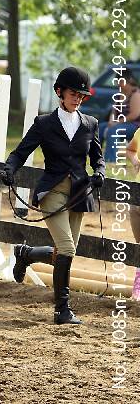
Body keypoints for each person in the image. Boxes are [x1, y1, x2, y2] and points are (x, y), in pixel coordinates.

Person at [2, 66, 106, 325]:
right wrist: (9, 169)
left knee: (64, 251)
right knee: (67, 249)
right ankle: (62, 310)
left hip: (79, 194)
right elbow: (20, 152)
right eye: (73, 94)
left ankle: (26, 254)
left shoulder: (90, 124)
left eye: (81, 95)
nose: (77, 99)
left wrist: (100, 172)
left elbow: (98, 158)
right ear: (60, 92)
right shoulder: (44, 124)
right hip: (53, 192)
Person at [100, 69, 140, 163]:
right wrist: (111, 121)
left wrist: (116, 123)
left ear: (129, 80)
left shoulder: (136, 94)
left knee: (114, 130)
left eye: (121, 81)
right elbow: (114, 111)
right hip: (121, 124)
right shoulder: (119, 94)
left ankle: (110, 160)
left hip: (134, 126)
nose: (119, 84)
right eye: (118, 81)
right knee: (100, 127)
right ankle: (95, 155)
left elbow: (134, 115)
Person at [126, 130, 140, 300]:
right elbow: (130, 149)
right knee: (139, 245)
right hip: (136, 198)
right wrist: (135, 161)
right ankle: (137, 288)